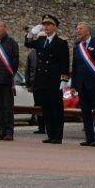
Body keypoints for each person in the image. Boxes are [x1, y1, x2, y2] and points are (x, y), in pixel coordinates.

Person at [26, 14, 69, 144]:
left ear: (55, 27)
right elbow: (28, 44)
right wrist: (30, 33)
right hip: (42, 80)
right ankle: (50, 134)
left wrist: (64, 79)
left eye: (48, 25)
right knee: (46, 109)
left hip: (54, 80)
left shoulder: (61, 42)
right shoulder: (41, 41)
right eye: (44, 25)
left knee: (56, 108)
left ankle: (58, 135)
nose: (46, 27)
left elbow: (65, 62)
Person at [70, 21, 95, 147]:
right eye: (77, 29)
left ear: (88, 31)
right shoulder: (77, 48)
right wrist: (74, 85)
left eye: (80, 28)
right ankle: (89, 137)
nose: (78, 31)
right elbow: (75, 67)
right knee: (85, 112)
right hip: (81, 84)